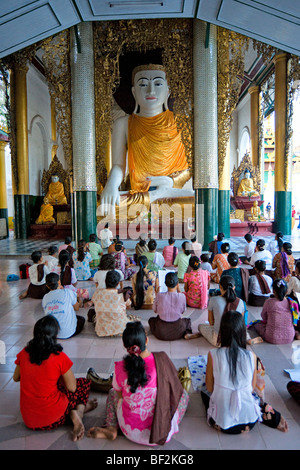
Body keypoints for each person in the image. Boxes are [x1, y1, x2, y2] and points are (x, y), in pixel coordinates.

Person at [98, 64, 193, 220]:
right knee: (103, 205)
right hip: (140, 192)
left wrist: (172, 181)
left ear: (168, 91)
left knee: (195, 201)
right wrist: (112, 185)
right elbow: (118, 165)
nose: (151, 91)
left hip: (174, 192)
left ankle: (158, 196)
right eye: (143, 84)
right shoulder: (123, 123)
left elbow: (192, 167)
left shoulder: (182, 123)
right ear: (134, 92)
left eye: (157, 83)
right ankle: (155, 196)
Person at [87, 321, 189, 445]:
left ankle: (111, 427)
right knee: (184, 395)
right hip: (161, 432)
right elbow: (174, 387)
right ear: (146, 340)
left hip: (130, 431)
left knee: (113, 392)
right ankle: (170, 423)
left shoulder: (120, 368)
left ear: (125, 346)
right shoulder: (162, 359)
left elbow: (120, 397)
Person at [202, 310, 288, 434]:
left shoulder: (213, 354)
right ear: (242, 333)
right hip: (249, 421)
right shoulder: (251, 356)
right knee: (252, 396)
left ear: (222, 332)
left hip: (222, 423)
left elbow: (210, 388)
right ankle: (269, 415)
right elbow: (252, 389)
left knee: (204, 391)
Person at [13, 316, 96, 441]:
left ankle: (77, 411)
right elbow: (72, 388)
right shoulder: (59, 357)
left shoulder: (24, 353)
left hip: (29, 420)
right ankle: (77, 412)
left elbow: (16, 378)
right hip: (54, 418)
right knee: (83, 383)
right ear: (54, 335)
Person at [198, 275, 246, 347]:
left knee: (200, 326)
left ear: (220, 287)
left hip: (219, 341)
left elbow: (211, 322)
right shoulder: (241, 302)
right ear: (234, 287)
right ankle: (247, 339)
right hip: (237, 340)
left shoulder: (213, 300)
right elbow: (240, 323)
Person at [148, 272, 198, 341]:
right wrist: (179, 291)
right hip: (178, 330)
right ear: (177, 284)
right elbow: (183, 311)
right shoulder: (182, 296)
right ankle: (186, 333)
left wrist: (157, 295)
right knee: (187, 321)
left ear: (165, 284)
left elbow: (155, 310)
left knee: (151, 320)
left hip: (161, 332)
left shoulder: (159, 295)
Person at [248, 279, 299, 344]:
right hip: (290, 337)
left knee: (257, 325)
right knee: (290, 327)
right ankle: (296, 334)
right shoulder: (293, 303)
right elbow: (295, 319)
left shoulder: (269, 302)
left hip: (271, 337)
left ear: (273, 291)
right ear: (286, 291)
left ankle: (259, 338)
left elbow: (264, 317)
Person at [88, 270, 131, 337]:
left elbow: (93, 302)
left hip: (101, 331)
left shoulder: (98, 292)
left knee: (93, 315)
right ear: (118, 284)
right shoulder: (122, 294)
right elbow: (129, 306)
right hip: (121, 329)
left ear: (105, 281)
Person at [42, 273, 85, 339]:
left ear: (47, 286)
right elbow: (77, 308)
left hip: (52, 333)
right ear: (59, 282)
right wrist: (80, 301)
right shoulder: (67, 292)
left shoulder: (45, 297)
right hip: (68, 333)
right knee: (81, 319)